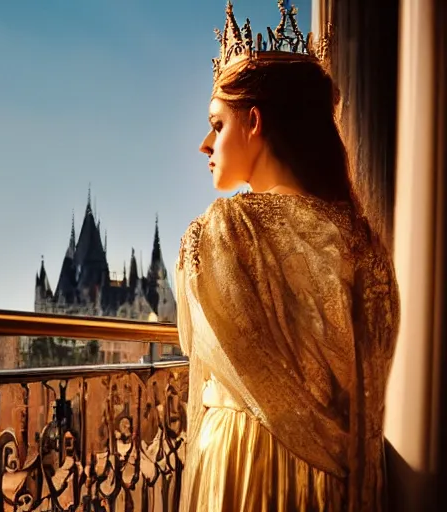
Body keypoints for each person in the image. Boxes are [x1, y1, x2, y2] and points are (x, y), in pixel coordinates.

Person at [175, 2, 400, 511]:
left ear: (254, 122)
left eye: (217, 123)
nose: (205, 144)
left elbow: (203, 350)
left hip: (242, 462)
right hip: (331, 482)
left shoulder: (225, 231)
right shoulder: (361, 241)